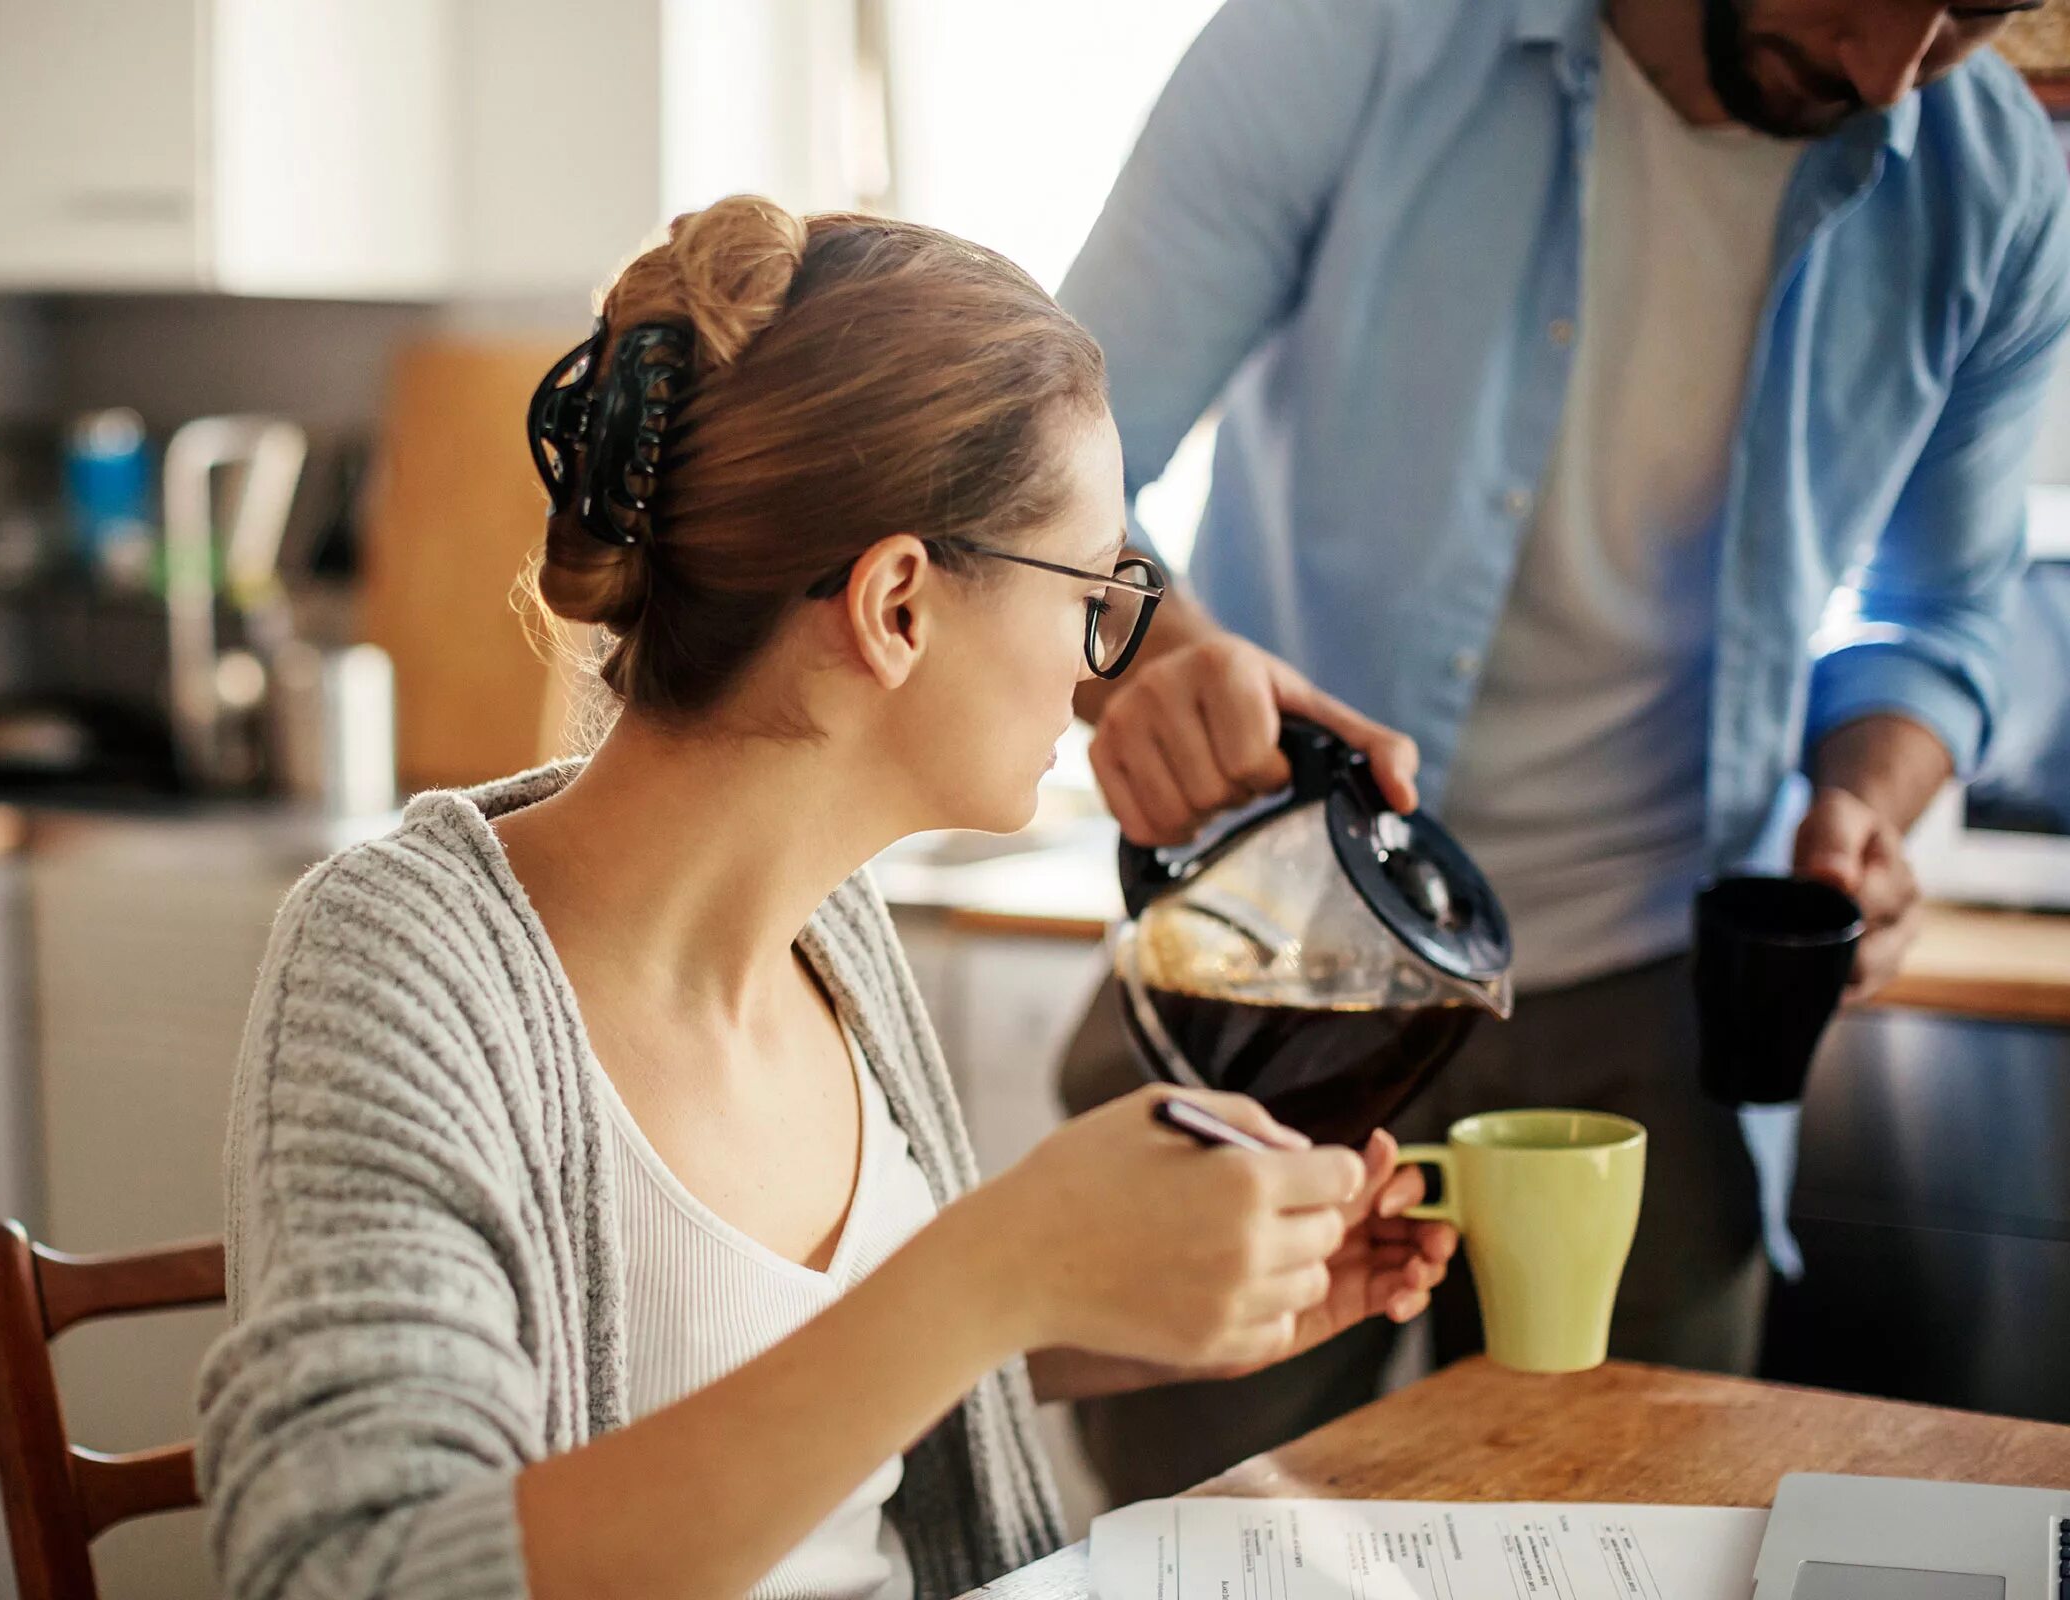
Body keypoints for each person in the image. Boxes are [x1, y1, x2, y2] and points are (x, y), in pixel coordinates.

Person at [195, 195, 1458, 1600]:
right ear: (899, 605)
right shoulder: (400, 969)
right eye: (1092, 589)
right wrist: (992, 1268)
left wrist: (1142, 1297)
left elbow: (792, 1356)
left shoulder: (828, 933)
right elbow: (350, 1571)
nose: (1106, 658)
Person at [1051, 0, 2070, 1504]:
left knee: (1634, 1525)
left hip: (1666, 1024)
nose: (1887, 74)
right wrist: (1158, 655)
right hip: (1282, 979)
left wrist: (1867, 790)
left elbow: (1942, 614)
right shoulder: (1349, 38)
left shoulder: (1990, 182)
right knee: (1207, 1531)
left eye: (1967, 18)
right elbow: (1045, 453)